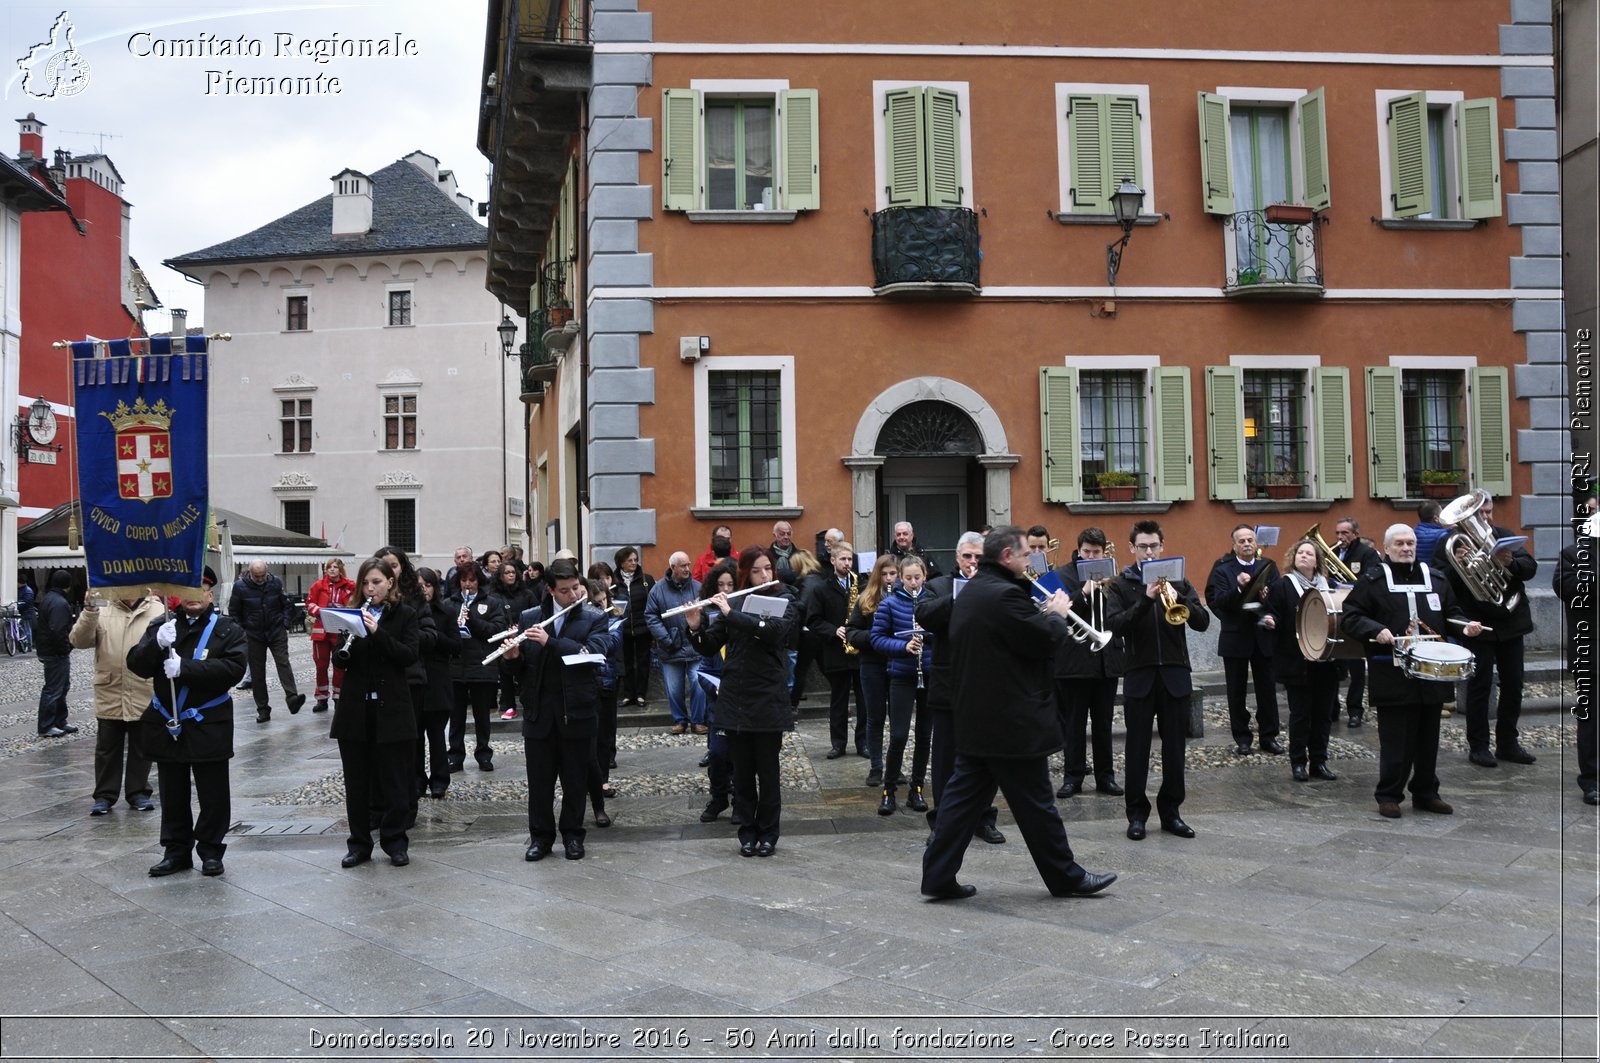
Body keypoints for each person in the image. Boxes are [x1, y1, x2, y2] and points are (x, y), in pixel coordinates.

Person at [920, 526, 1116, 900]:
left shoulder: (978, 590)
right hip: (1010, 723)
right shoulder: (1004, 595)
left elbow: (1009, 640)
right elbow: (1042, 643)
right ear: (1007, 557)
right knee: (1039, 807)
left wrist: (1039, 611)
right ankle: (1066, 877)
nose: (1031, 562)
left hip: (979, 719)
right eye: (1026, 555)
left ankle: (937, 876)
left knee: (959, 806)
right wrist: (1057, 614)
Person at [1342, 524, 1482, 819]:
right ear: (1387, 548)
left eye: (1411, 543)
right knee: (1396, 739)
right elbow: (1351, 617)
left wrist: (1465, 625)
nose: (1407, 548)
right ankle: (1389, 795)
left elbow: (1451, 613)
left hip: (1432, 673)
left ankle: (1426, 792)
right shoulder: (1373, 580)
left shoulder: (1436, 578)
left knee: (1428, 737)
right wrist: (1376, 629)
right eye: (1400, 544)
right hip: (1392, 673)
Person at [127, 567, 247, 877]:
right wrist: (155, 644)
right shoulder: (163, 625)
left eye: (201, 590)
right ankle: (176, 851)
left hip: (208, 721)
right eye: (189, 591)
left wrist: (186, 668)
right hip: (168, 722)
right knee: (172, 791)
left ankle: (210, 850)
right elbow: (137, 665)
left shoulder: (227, 629)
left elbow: (233, 669)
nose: (194, 597)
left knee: (213, 792)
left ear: (210, 594)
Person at [686, 546, 796, 857]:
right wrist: (695, 626)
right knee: (743, 773)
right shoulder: (733, 602)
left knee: (768, 772)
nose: (765, 575)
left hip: (768, 698)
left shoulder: (783, 599)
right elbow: (708, 647)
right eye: (758, 570)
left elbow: (774, 633)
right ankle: (747, 832)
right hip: (735, 698)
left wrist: (733, 614)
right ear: (745, 574)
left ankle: (769, 833)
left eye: (768, 569)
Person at [1104, 519, 1210, 841]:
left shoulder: (1179, 579)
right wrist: (1147, 599)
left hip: (1175, 675)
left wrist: (1184, 600)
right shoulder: (1122, 585)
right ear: (1132, 549)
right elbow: (1116, 625)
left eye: (1154, 546)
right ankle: (1136, 815)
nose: (1149, 551)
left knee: (1175, 750)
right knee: (1137, 750)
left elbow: (1203, 623)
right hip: (1140, 676)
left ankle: (1171, 813)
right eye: (1142, 546)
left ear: (1163, 546)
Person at [503, 559, 609, 862]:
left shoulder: (594, 617)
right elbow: (521, 672)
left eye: (576, 587)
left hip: (577, 711)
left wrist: (552, 642)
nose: (573, 595)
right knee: (539, 784)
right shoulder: (530, 617)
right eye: (564, 591)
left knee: (575, 781)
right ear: (550, 590)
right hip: (540, 713)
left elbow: (595, 652)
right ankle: (540, 838)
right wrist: (511, 658)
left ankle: (573, 836)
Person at [1431, 493, 1539, 769]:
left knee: (1514, 684)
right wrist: (1458, 564)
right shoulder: (1451, 543)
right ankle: (1478, 745)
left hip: (1511, 620)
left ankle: (1508, 743)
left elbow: (1530, 568)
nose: (1485, 518)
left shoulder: (1504, 536)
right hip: (1478, 625)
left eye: (1487, 512)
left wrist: (1509, 563)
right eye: (1481, 514)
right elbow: (1440, 581)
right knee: (1479, 686)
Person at [331, 558, 421, 868]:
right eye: (366, 583)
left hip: (392, 709)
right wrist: (346, 637)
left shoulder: (405, 615)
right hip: (356, 709)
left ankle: (395, 842)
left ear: (390, 583)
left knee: (395, 781)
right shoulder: (352, 613)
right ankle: (359, 844)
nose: (371, 589)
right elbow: (340, 661)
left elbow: (408, 655)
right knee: (357, 784)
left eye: (377, 583)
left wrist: (378, 632)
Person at [917, 531, 1006, 845]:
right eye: (967, 556)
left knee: (985, 758)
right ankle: (943, 822)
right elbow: (924, 615)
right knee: (945, 759)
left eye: (979, 558)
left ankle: (983, 818)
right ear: (957, 558)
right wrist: (958, 597)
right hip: (949, 686)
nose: (973, 562)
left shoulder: (996, 588)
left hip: (985, 686)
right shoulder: (938, 586)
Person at [71, 591, 167, 814]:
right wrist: (90, 611)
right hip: (110, 689)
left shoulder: (158, 611)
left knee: (142, 746)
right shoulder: (103, 608)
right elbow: (78, 641)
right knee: (106, 747)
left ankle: (138, 792)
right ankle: (104, 795)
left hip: (144, 688)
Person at [1052, 527, 1124, 799]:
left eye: (1097, 552)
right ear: (1078, 549)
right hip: (1074, 660)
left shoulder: (1114, 575)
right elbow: (1061, 613)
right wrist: (1084, 591)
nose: (1092, 557)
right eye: (1087, 552)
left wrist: (1108, 588)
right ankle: (1073, 777)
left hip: (1106, 659)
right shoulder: (1063, 574)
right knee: (1074, 723)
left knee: (1104, 722)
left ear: (1104, 552)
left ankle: (1107, 777)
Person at [1263, 540, 1341, 782]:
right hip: (1297, 662)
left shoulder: (1330, 585)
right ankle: (1298, 762)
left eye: (1309, 553)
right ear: (1293, 557)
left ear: (1317, 560)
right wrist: (1269, 619)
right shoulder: (1283, 585)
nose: (1304, 556)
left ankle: (1319, 761)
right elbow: (1271, 610)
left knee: (1323, 714)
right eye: (1300, 553)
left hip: (1327, 661)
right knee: (1300, 713)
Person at [1205, 525, 1283, 756]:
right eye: (1242, 541)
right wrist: (1238, 588)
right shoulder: (1223, 569)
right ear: (1234, 545)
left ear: (1256, 543)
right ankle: (1242, 738)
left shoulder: (1268, 566)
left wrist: (1270, 604)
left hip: (1263, 636)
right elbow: (1217, 600)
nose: (1247, 543)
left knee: (1267, 690)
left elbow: (1279, 599)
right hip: (1235, 636)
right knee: (1236, 691)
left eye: (1250, 540)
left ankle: (1269, 736)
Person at [870, 555, 933, 815]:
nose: (913, 582)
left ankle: (917, 788)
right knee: (898, 734)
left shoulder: (931, 601)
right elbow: (877, 639)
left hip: (928, 674)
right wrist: (904, 646)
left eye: (917, 577)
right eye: (908, 578)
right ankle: (889, 790)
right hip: (901, 675)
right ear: (900, 577)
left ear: (924, 577)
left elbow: (945, 633)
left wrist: (927, 635)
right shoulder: (890, 603)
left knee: (924, 735)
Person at [1555, 500, 1599, 804]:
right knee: (1592, 720)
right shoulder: (1574, 555)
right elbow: (1565, 586)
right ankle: (1592, 780)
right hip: (1591, 652)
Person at [803, 541, 861, 759]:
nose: (847, 563)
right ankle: (838, 744)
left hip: (859, 650)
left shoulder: (861, 583)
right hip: (835, 651)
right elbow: (813, 620)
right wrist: (833, 630)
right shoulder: (821, 588)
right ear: (833, 560)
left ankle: (862, 742)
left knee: (864, 701)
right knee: (838, 701)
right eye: (843, 559)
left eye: (850, 559)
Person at [229, 560, 307, 722]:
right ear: (249, 572)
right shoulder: (240, 587)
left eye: (262, 575)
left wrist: (285, 622)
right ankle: (263, 708)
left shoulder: (275, 582)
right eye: (256, 576)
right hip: (253, 634)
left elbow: (286, 604)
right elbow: (234, 612)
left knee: (283, 662)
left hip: (276, 629)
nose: (259, 579)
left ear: (267, 572)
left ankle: (292, 698)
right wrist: (242, 632)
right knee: (257, 673)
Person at [445, 561, 503, 772]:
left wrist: (473, 620)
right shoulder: (449, 604)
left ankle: (484, 754)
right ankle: (455, 755)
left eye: (472, 580)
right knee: (456, 715)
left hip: (481, 666)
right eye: (463, 580)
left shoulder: (492, 602)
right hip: (456, 666)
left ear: (479, 581)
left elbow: (496, 630)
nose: (467, 584)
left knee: (482, 715)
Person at [848, 555, 899, 787]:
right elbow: (852, 633)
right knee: (875, 716)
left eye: (893, 574)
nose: (889, 579)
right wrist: (876, 636)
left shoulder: (904, 597)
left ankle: (895, 767)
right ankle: (876, 766)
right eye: (885, 574)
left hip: (898, 663)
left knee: (898, 720)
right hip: (872, 665)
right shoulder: (865, 600)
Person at [695, 560, 739, 823]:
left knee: (741, 755)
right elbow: (702, 669)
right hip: (718, 702)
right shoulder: (711, 620)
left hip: (741, 700)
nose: (725, 590)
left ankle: (739, 800)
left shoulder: (742, 619)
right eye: (720, 585)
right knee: (718, 754)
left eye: (730, 585)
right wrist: (714, 687)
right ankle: (718, 796)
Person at [645, 552, 706, 735]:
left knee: (698, 682)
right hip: (670, 646)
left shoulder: (698, 588)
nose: (688, 569)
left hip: (695, 644)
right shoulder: (657, 589)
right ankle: (680, 720)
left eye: (689, 565)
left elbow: (707, 612)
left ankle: (698, 720)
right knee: (673, 688)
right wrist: (665, 639)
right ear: (672, 567)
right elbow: (651, 616)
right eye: (683, 566)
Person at [415, 567, 461, 800]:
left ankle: (439, 780)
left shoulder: (446, 612)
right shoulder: (409, 612)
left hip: (438, 680)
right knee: (414, 737)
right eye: (419, 585)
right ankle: (417, 780)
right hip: (415, 681)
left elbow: (456, 645)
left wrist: (433, 636)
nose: (424, 589)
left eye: (428, 584)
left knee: (436, 737)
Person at [1332, 518, 1381, 728]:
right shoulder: (1332, 552)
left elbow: (1371, 578)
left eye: (1345, 533)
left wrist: (1349, 583)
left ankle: (1355, 710)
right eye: (1338, 533)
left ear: (1355, 534)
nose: (1340, 538)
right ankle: (1332, 708)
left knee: (1357, 666)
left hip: (1356, 611)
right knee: (1334, 663)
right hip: (1334, 611)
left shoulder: (1366, 553)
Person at [304, 558, 357, 713]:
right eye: (329, 567)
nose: (332, 570)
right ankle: (321, 698)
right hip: (322, 631)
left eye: (335, 567)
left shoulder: (350, 586)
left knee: (339, 666)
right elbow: (310, 603)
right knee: (321, 666)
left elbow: (355, 603)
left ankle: (338, 697)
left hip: (341, 632)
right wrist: (319, 611)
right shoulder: (318, 585)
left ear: (341, 569)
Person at [34, 569, 78, 737]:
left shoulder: (49, 599)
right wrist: (65, 649)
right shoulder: (59, 603)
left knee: (61, 687)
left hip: (49, 649)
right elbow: (57, 630)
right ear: (68, 585)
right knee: (54, 689)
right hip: (55, 652)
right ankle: (47, 725)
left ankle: (59, 720)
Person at [612, 546, 654, 708]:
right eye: (630, 560)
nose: (634, 563)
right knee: (626, 662)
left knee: (643, 661)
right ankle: (628, 694)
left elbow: (651, 602)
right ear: (621, 562)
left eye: (635, 559)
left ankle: (641, 694)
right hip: (623, 628)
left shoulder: (646, 579)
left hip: (643, 627)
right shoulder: (615, 581)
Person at [493, 562, 535, 720]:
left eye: (513, 572)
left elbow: (535, 612)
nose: (511, 575)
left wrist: (522, 627)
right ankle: (509, 705)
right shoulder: (495, 596)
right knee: (505, 673)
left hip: (525, 636)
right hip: (505, 637)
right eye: (507, 573)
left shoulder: (527, 593)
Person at [787, 548, 823, 708]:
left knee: (800, 669)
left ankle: (792, 704)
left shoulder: (808, 582)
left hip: (809, 633)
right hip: (817, 631)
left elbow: (802, 606)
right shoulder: (818, 579)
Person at [1413, 501, 1450, 565]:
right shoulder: (1443, 535)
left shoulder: (1412, 532)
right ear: (1436, 519)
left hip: (1419, 571)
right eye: (1442, 514)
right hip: (1436, 572)